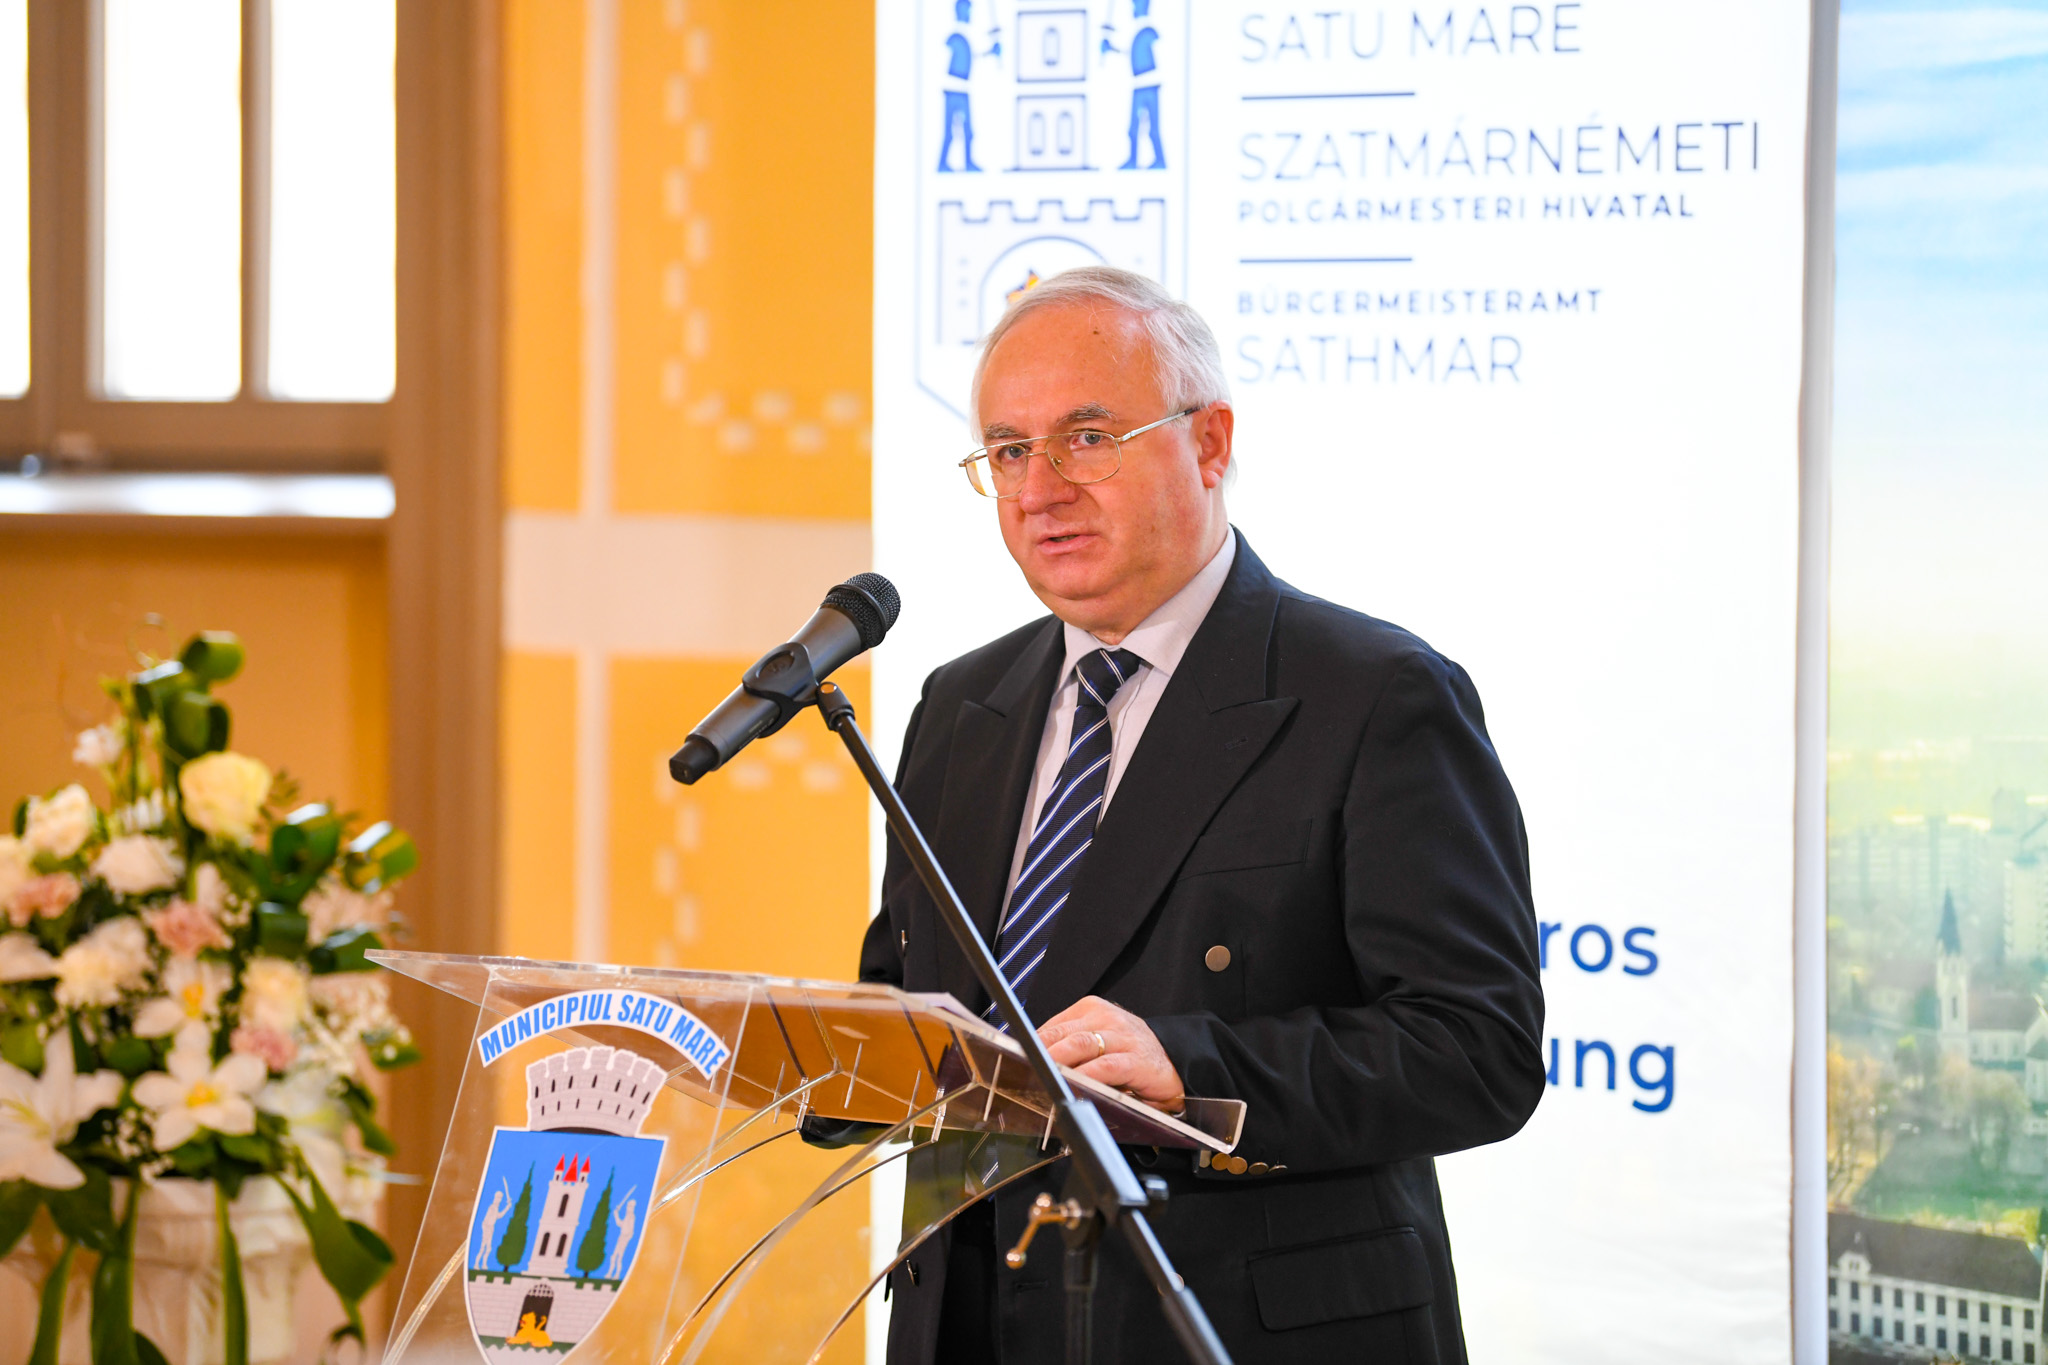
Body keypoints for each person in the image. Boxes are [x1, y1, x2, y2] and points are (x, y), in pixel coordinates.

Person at [857, 266, 1545, 1363]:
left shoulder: (1374, 694)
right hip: (973, 1323)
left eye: (1087, 438)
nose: (1039, 490)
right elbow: (913, 996)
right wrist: (809, 1045)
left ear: (1210, 443)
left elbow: (1477, 1050)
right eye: (1008, 450)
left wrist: (1190, 1066)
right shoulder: (959, 704)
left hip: (1233, 1330)